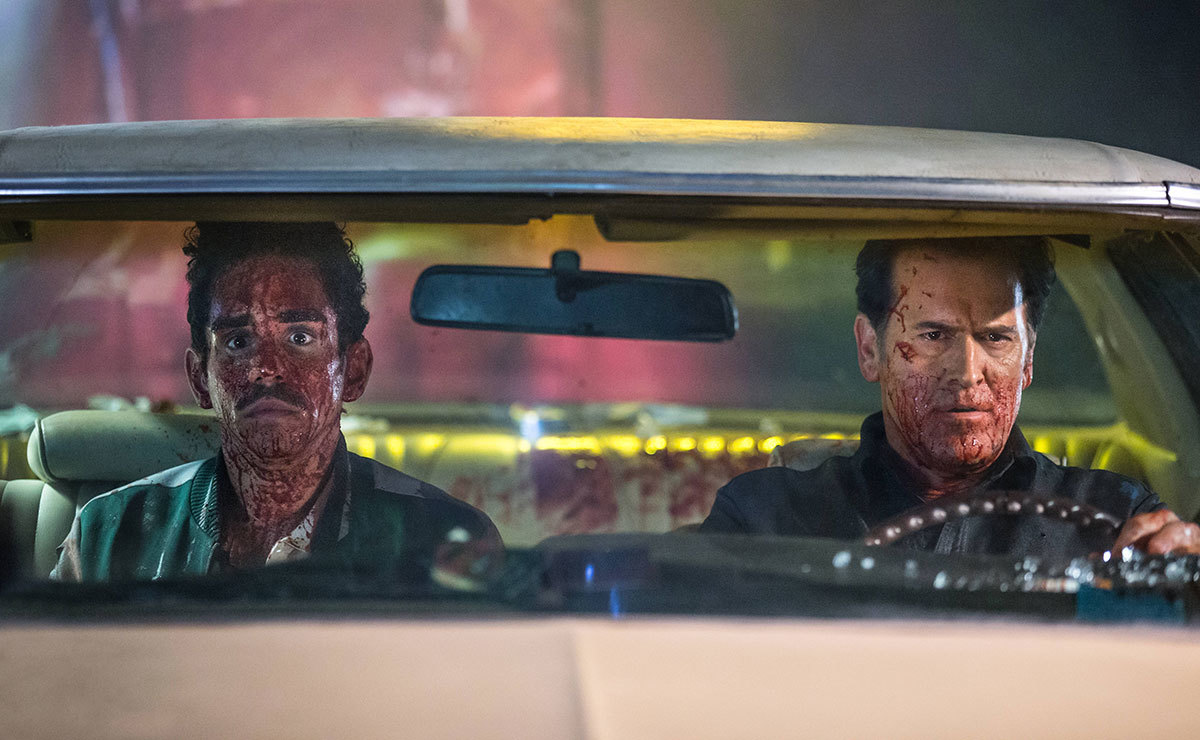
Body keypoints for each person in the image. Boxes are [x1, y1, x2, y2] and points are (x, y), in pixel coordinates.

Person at [53, 222, 502, 581]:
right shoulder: (108, 533)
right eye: (238, 341)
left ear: (354, 370)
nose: (266, 368)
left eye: (300, 337)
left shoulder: (442, 538)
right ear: (200, 378)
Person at [701, 236, 1200, 557]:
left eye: (996, 338)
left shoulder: (1120, 520)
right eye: (934, 335)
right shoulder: (764, 520)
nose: (967, 372)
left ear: (1028, 360)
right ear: (870, 349)